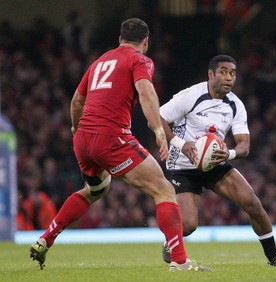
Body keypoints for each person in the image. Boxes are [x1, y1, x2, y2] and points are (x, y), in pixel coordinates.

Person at [30, 18, 208, 272]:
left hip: (83, 139)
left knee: (95, 190)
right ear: (145, 42)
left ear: (120, 38)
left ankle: (44, 239)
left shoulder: (100, 61)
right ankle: (180, 261)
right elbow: (146, 91)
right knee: (164, 190)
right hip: (112, 137)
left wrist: (75, 128)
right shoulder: (140, 60)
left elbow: (77, 101)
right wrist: (158, 128)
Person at [159, 54, 276, 267]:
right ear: (211, 74)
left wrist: (229, 154)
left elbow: (244, 145)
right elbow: (157, 117)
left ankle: (274, 258)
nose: (229, 78)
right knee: (187, 225)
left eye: (232, 73)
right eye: (223, 72)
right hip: (183, 166)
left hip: (214, 163)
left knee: (251, 201)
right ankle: (171, 242)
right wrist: (180, 144)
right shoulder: (190, 96)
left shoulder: (236, 105)